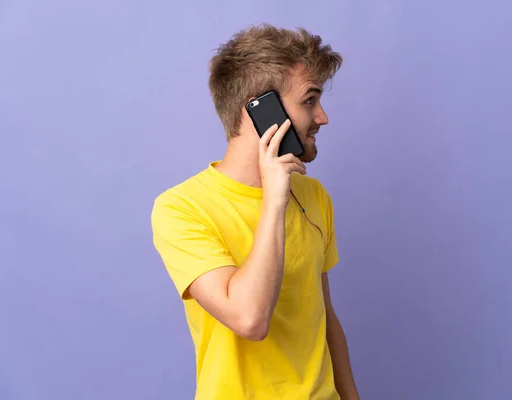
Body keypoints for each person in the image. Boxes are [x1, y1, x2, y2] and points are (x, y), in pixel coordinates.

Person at [151, 24, 359, 399]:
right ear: (263, 112)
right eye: (310, 100)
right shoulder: (181, 209)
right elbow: (249, 318)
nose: (323, 116)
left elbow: (324, 319)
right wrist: (274, 201)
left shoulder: (314, 196)